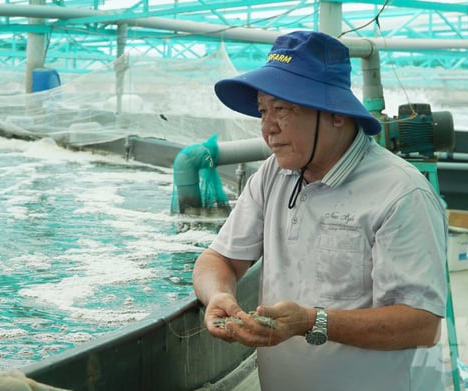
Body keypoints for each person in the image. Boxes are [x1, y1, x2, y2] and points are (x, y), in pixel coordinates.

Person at [192, 30, 448, 390]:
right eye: (264, 111)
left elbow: (420, 323)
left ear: (335, 115)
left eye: (283, 109)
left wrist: (312, 322)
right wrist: (218, 296)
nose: (268, 128)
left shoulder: (401, 193)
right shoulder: (275, 174)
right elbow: (218, 260)